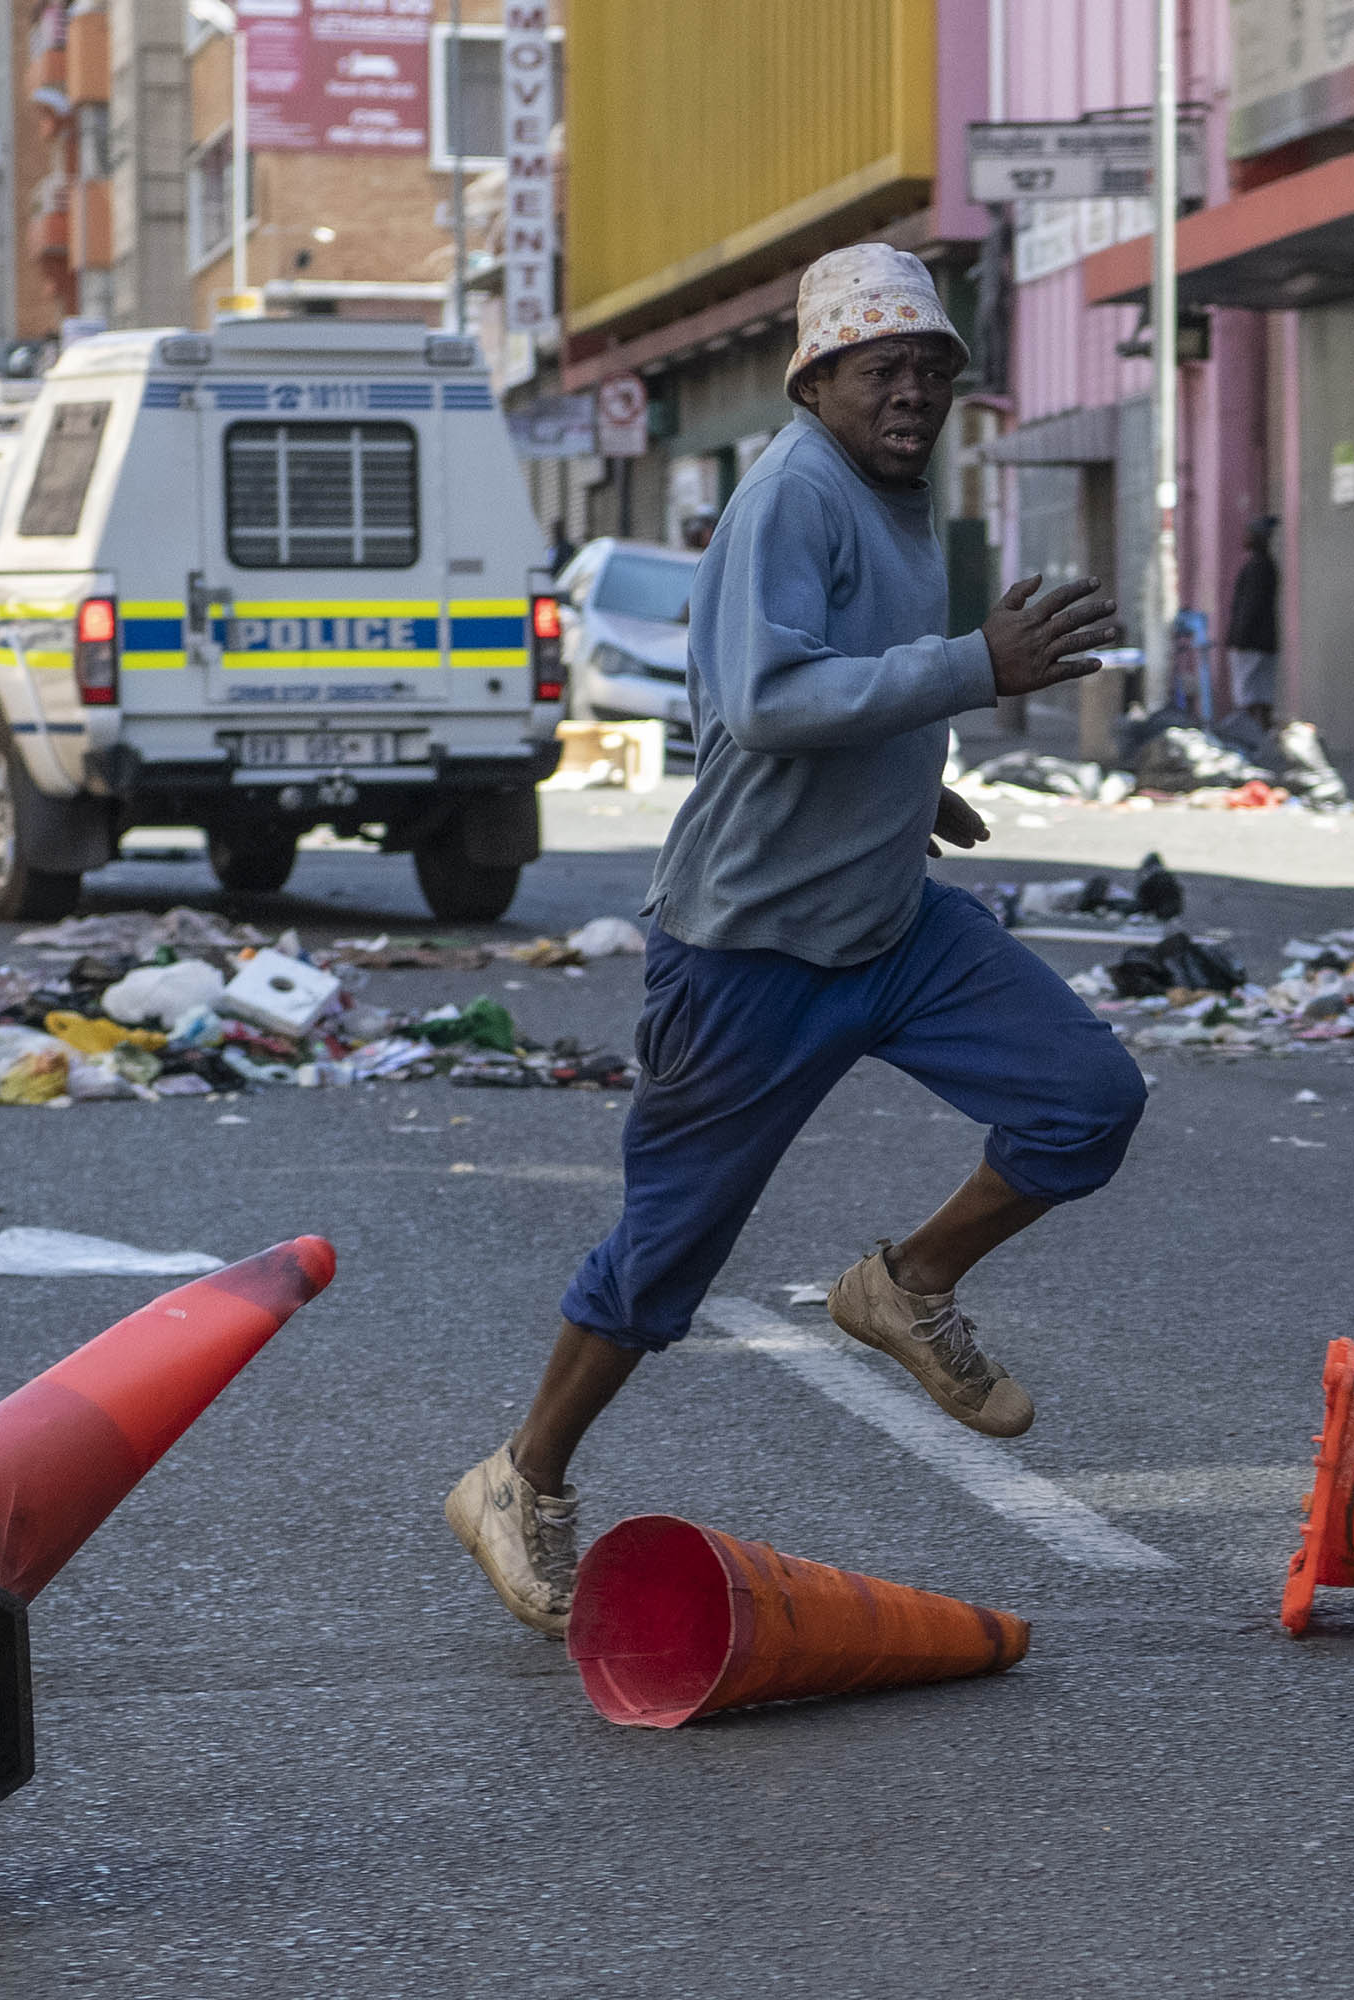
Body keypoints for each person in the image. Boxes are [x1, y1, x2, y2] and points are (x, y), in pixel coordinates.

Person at [443, 242, 1147, 1637]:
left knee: (1087, 1102)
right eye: (884, 369)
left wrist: (906, 781)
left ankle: (907, 1284)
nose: (914, 394)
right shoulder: (792, 491)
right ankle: (520, 1479)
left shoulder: (898, 488)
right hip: (752, 952)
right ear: (815, 378)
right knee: (661, 1266)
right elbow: (761, 697)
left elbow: (833, 690)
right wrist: (974, 669)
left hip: (888, 923)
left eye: (933, 370)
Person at [1224, 515, 1280, 732]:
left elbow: (1250, 606)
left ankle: (1248, 737)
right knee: (1262, 693)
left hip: (1250, 642)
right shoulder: (1267, 565)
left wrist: (1239, 637)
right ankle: (1261, 736)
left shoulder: (1257, 567)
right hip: (1265, 641)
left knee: (1247, 693)